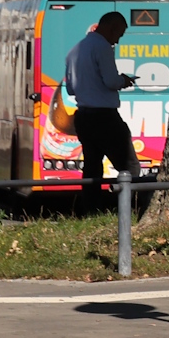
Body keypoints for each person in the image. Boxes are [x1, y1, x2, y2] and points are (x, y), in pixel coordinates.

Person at [65, 11, 136, 200]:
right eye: (119, 34)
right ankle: (133, 206)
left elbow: (70, 89)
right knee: (128, 166)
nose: (117, 41)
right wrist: (123, 81)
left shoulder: (75, 50)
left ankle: (91, 206)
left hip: (83, 117)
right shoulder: (103, 47)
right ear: (112, 28)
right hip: (104, 117)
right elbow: (111, 81)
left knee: (92, 166)